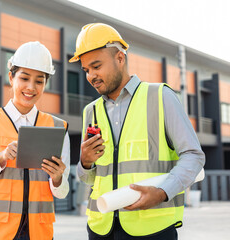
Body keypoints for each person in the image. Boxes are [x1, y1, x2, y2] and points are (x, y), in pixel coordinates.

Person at [69, 23, 205, 240]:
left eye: (96, 66)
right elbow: (88, 179)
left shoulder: (160, 97)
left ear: (120, 58)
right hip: (100, 229)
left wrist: (162, 192)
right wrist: (85, 162)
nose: (91, 76)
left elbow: (193, 156)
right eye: (86, 70)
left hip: (151, 229)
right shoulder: (91, 111)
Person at [0, 41, 70, 240]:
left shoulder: (58, 128)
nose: (31, 87)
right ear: (11, 77)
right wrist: (0, 159)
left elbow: (62, 192)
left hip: (38, 233)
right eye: (24, 78)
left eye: (39, 81)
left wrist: (57, 178)